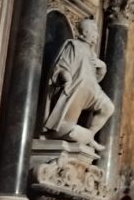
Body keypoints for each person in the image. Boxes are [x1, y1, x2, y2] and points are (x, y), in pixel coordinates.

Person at [43, 18, 114, 152]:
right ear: (84, 32)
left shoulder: (92, 52)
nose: (96, 34)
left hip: (92, 90)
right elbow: (62, 66)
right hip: (77, 89)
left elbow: (94, 78)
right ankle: (86, 137)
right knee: (68, 126)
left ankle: (89, 136)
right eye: (93, 30)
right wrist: (67, 78)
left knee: (108, 108)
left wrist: (102, 68)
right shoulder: (73, 45)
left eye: (96, 31)